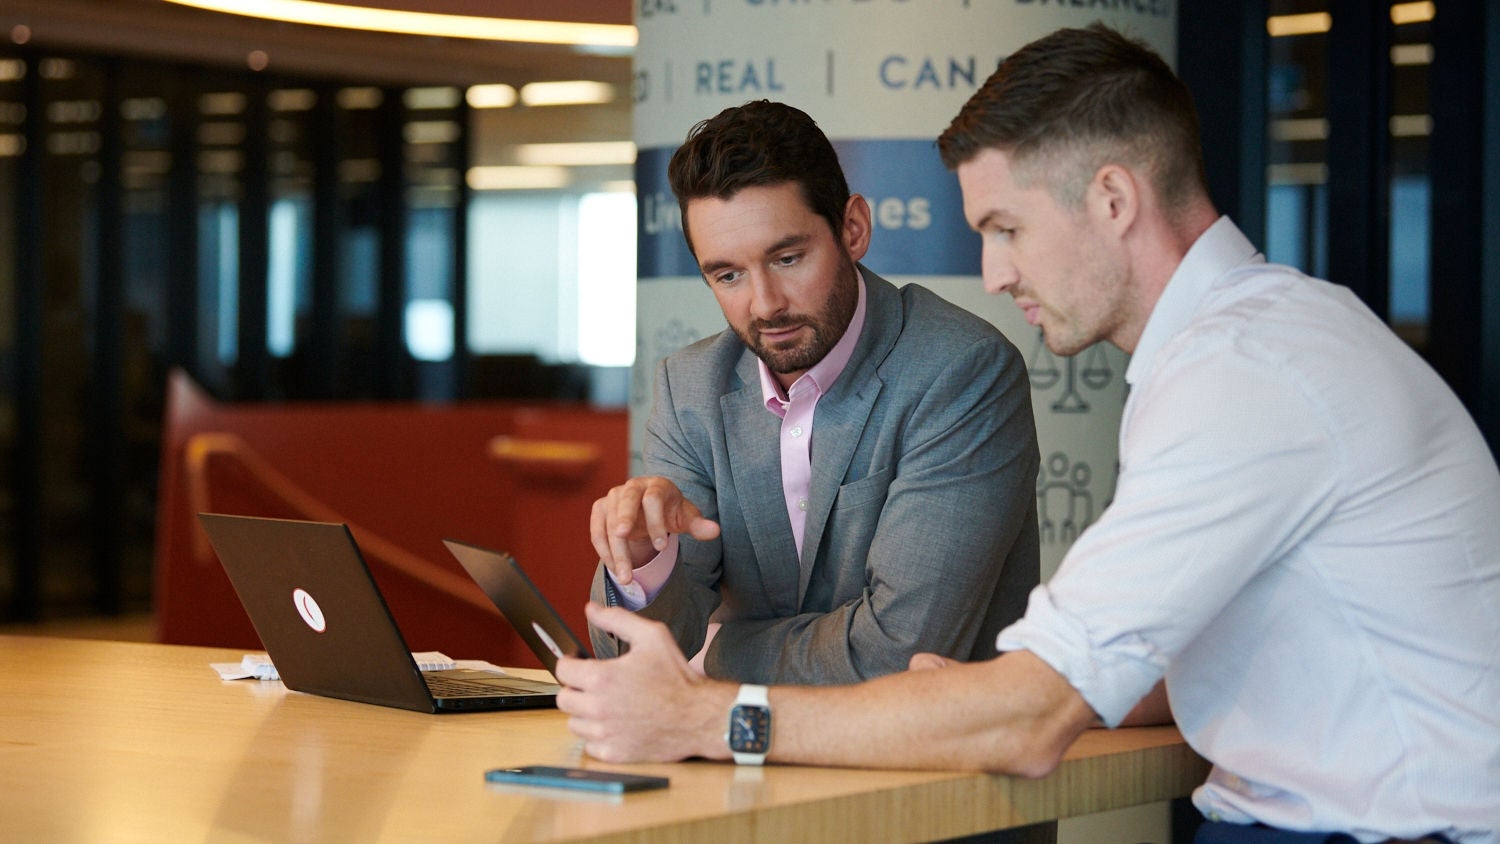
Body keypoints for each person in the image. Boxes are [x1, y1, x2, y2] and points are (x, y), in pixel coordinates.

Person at [556, 24, 1500, 844]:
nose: (993, 271)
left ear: (1113, 200)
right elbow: (1151, 669)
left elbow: (1030, 722)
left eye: (1006, 227)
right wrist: (977, 692)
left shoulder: (1243, 377)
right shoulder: (1244, 348)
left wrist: (713, 709)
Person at [587, 99, 1040, 685]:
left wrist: (709, 654)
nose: (765, 303)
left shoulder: (959, 369)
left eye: (788, 257)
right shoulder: (690, 385)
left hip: (932, 759)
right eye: (727, 275)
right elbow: (629, 655)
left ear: (853, 229)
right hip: (742, 756)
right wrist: (646, 564)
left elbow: (897, 657)